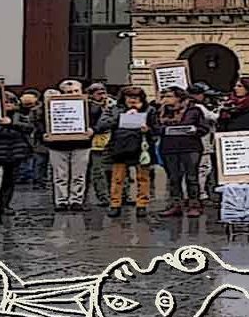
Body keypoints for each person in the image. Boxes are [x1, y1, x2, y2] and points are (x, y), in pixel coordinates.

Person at [95, 86, 154, 218]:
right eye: (130, 97)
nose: (133, 100)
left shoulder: (149, 110)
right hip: (119, 147)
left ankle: (142, 205)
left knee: (143, 178)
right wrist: (121, 118)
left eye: (136, 97)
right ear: (124, 98)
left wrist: (148, 130)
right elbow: (101, 125)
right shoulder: (114, 109)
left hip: (142, 147)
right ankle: (115, 204)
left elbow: (156, 128)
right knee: (117, 178)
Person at [38, 80, 94, 212]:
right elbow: (39, 122)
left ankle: (76, 201)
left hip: (81, 144)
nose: (73, 94)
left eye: (76, 91)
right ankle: (61, 201)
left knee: (79, 175)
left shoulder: (91, 106)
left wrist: (93, 129)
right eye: (69, 92)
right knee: (60, 176)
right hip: (58, 145)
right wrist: (43, 134)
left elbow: (101, 121)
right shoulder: (49, 106)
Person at [155, 87, 207, 218]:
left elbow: (204, 128)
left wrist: (194, 130)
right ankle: (175, 205)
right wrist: (163, 129)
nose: (166, 99)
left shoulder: (194, 110)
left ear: (179, 98)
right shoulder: (161, 111)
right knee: (173, 178)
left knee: (191, 177)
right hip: (169, 147)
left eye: (169, 96)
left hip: (190, 147)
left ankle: (194, 205)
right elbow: (154, 128)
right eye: (164, 96)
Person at [187, 82, 222, 202]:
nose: (206, 97)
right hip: (203, 141)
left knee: (193, 168)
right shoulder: (198, 107)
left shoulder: (187, 105)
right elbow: (215, 117)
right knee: (203, 167)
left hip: (195, 141)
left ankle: (193, 193)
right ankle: (201, 193)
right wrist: (221, 108)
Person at [86, 83, 115, 208]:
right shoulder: (87, 106)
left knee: (115, 170)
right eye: (99, 94)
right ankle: (103, 197)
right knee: (98, 171)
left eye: (104, 93)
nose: (103, 96)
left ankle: (121, 195)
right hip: (95, 142)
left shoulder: (113, 104)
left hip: (112, 139)